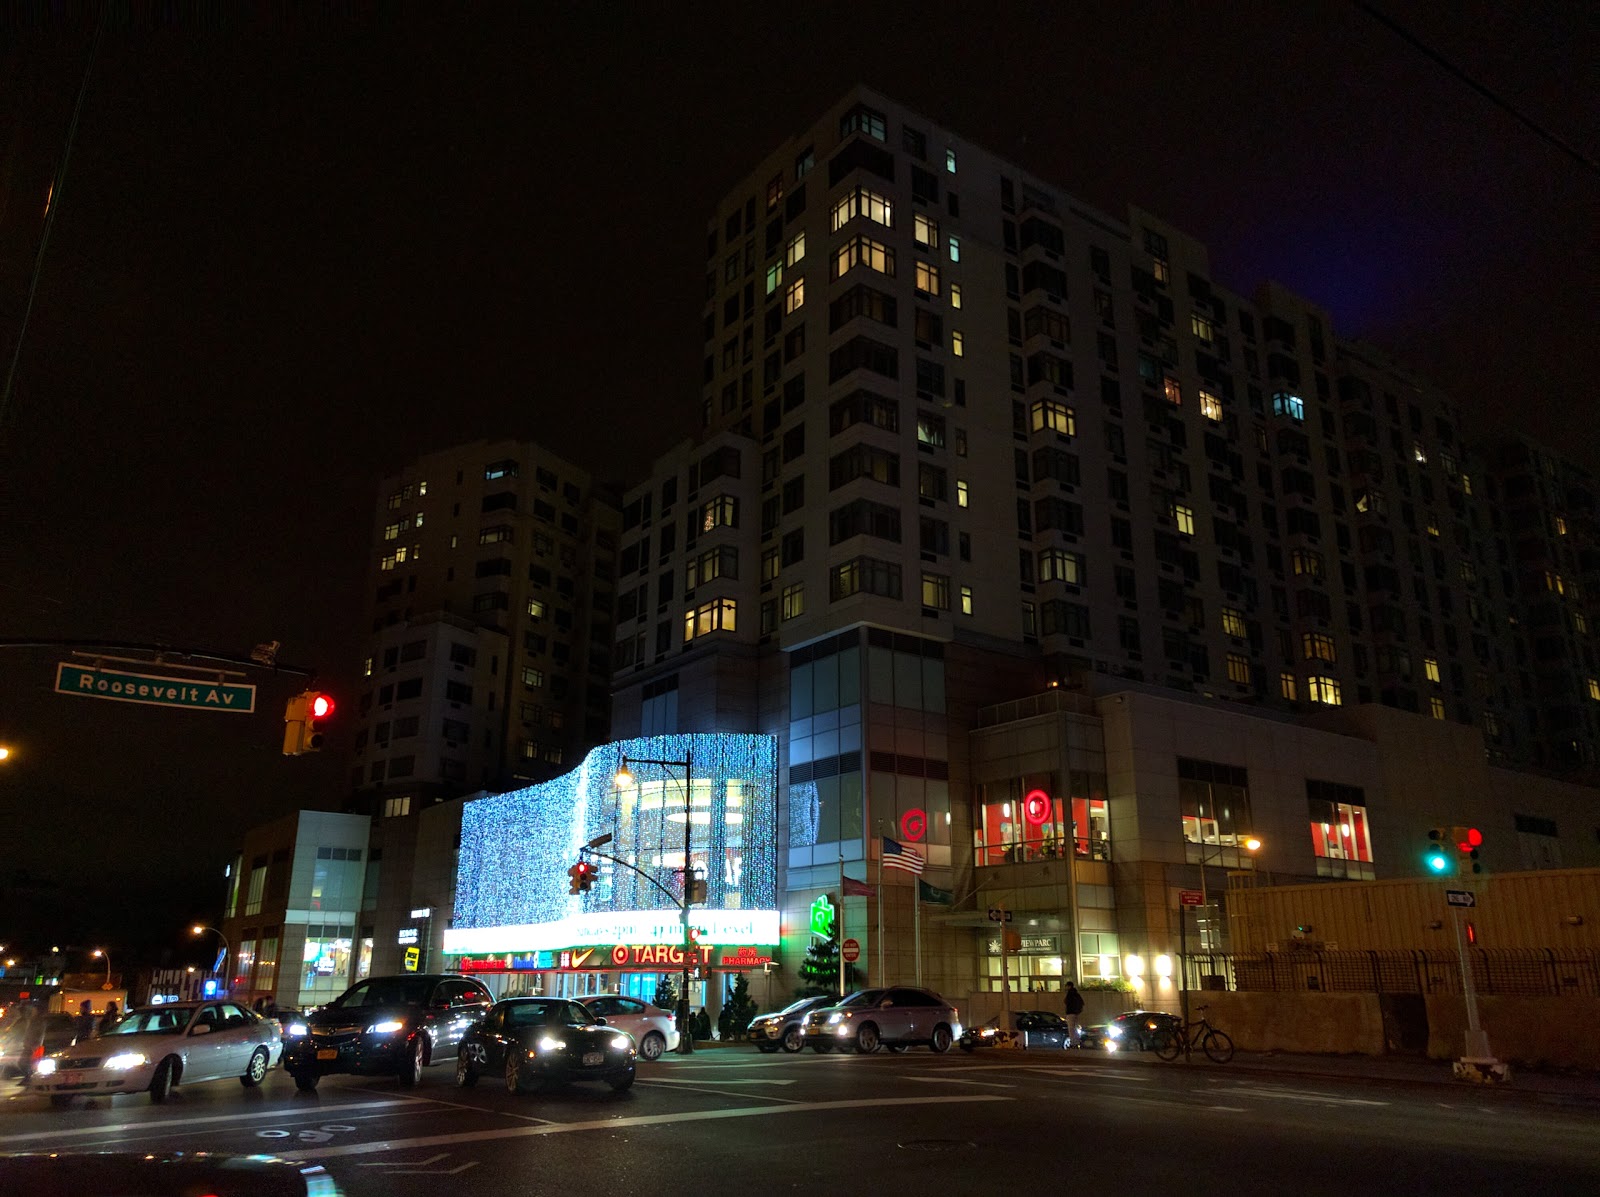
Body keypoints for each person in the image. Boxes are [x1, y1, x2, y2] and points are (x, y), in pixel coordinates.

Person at [1063, 981, 1085, 1046]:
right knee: (1075, 1028)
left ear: (1069, 986)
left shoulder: (1070, 994)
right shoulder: (1076, 994)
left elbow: (1067, 1002)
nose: (1066, 987)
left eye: (1067, 986)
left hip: (1070, 1012)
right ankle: (1077, 1041)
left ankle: (1073, 1043)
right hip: (1076, 1013)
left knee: (1071, 1028)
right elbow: (1082, 1003)